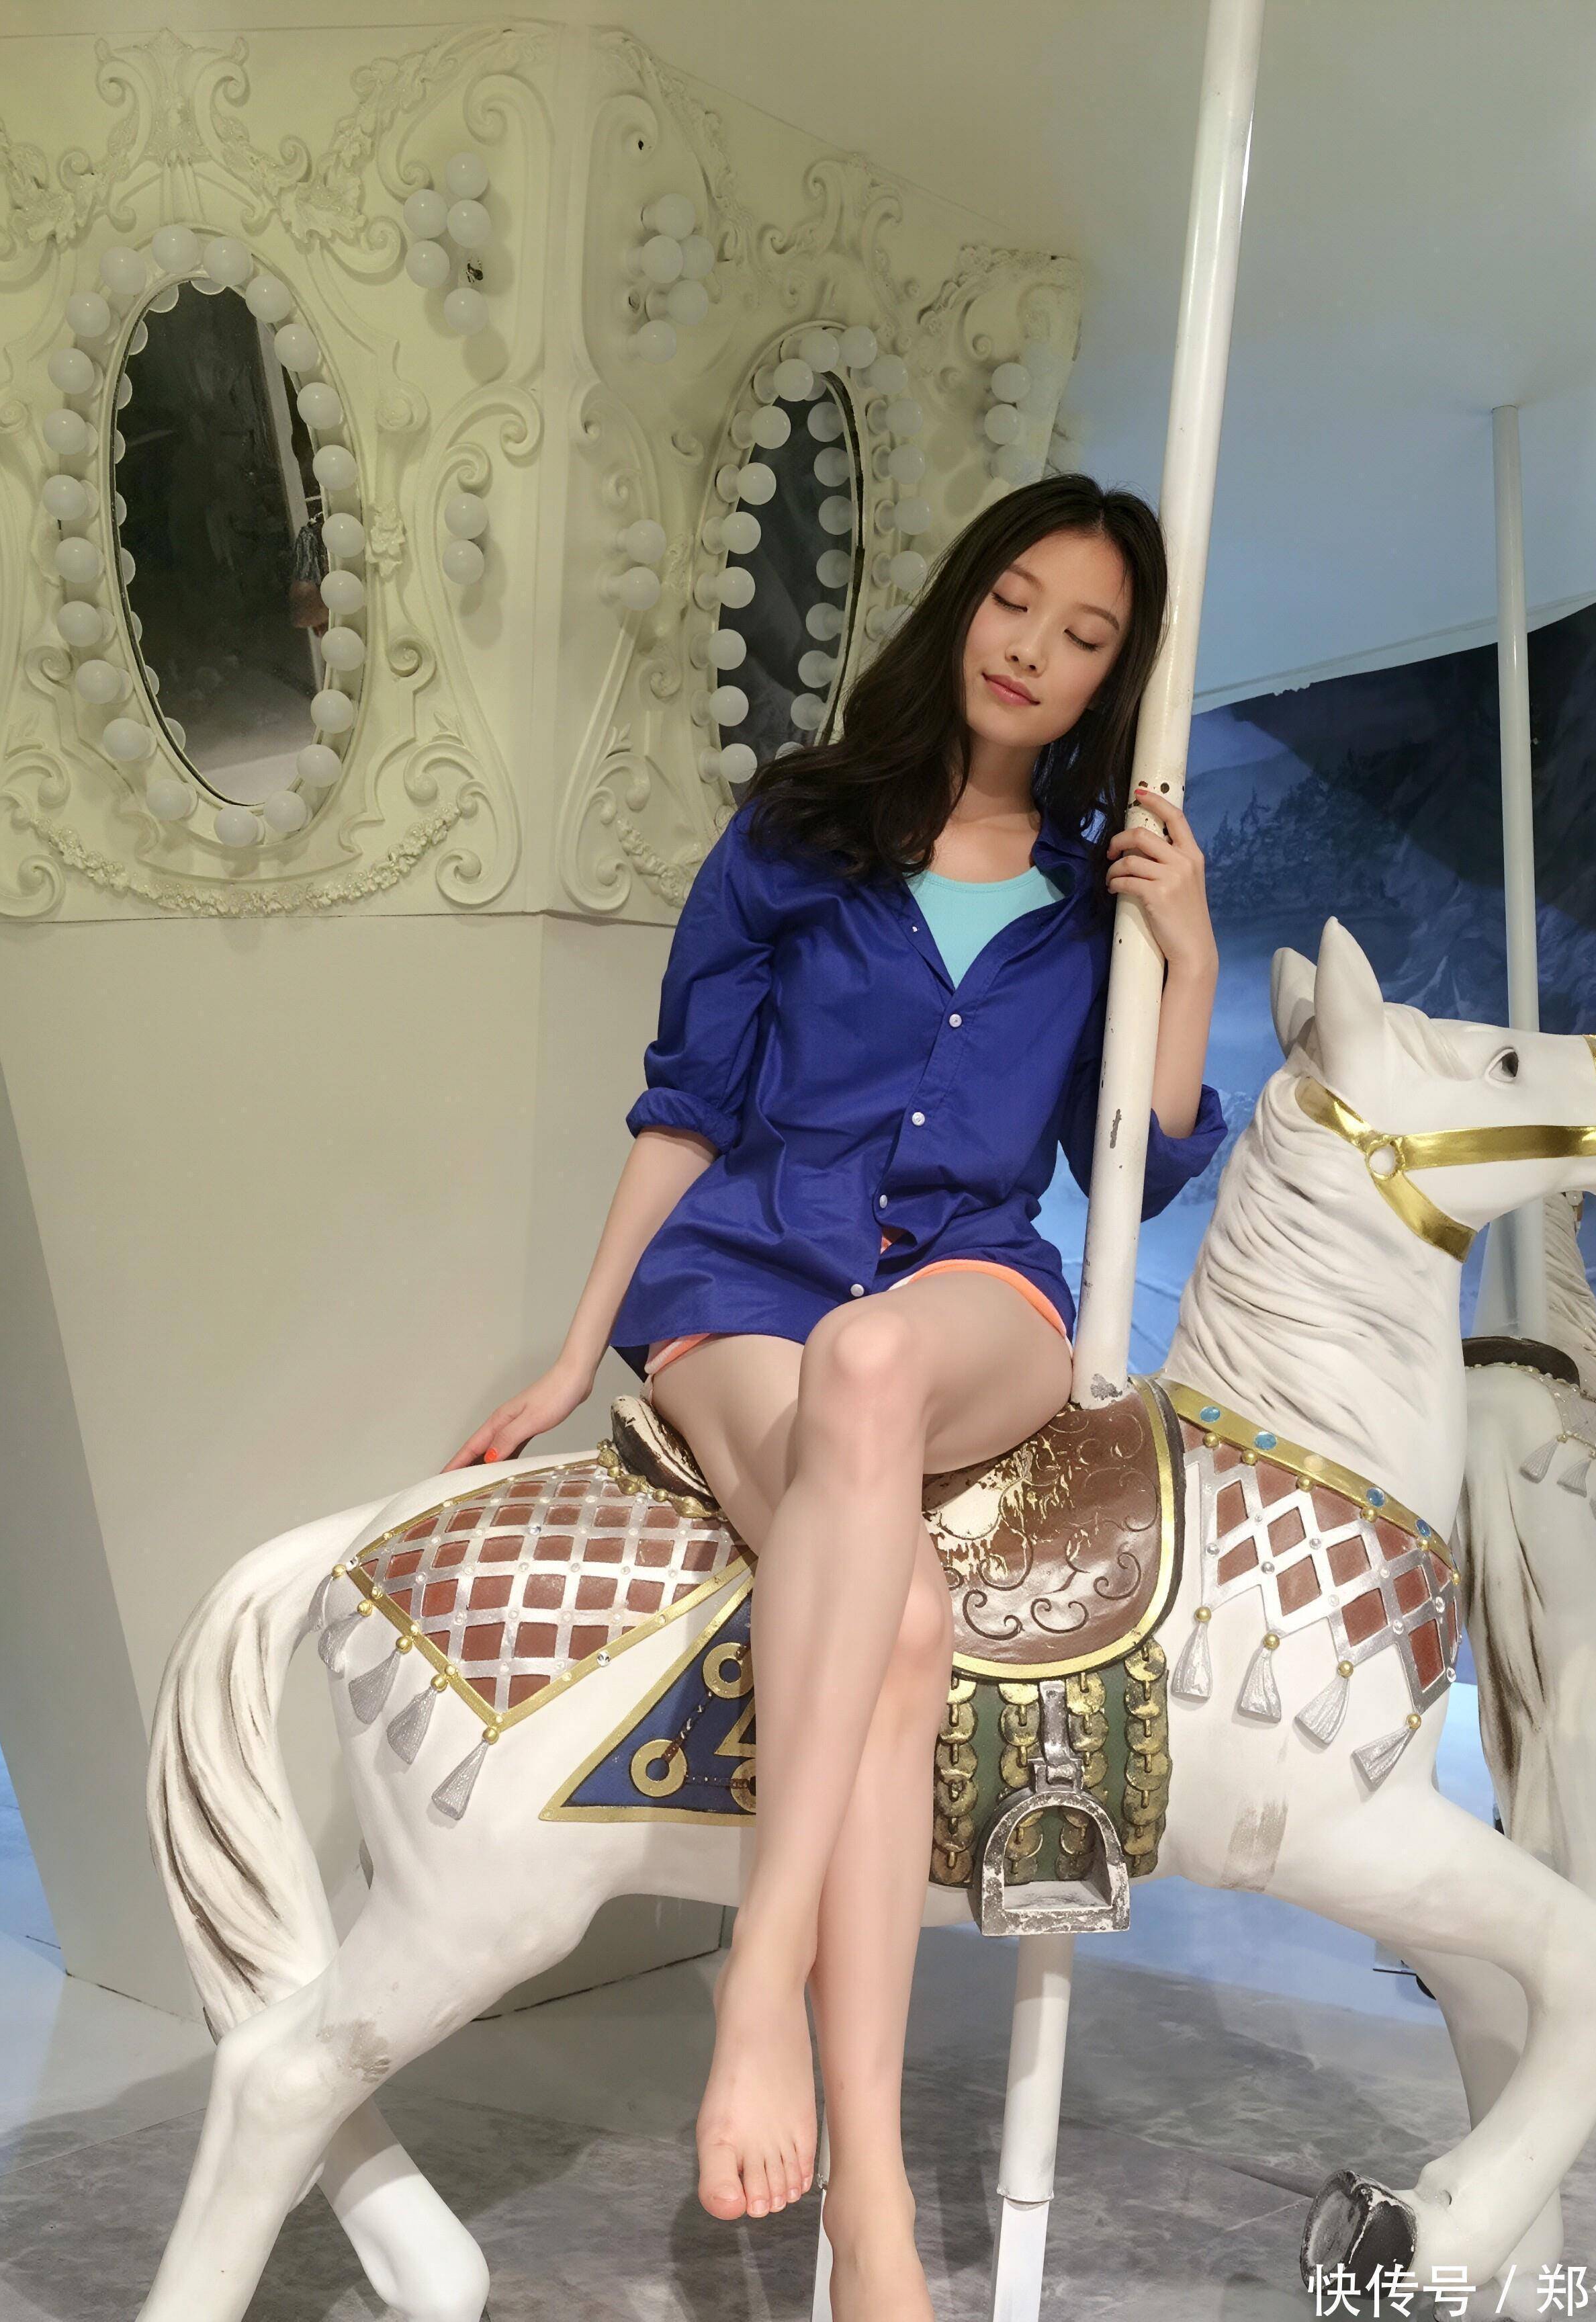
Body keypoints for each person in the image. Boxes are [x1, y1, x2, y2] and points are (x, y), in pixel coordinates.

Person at [445, 472, 1224, 2318]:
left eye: (1085, 635)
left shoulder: (1098, 891)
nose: (1033, 650)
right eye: (1015, 601)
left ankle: (761, 1978)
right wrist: (576, 1344)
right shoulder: (795, 831)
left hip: (972, 1293)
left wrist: (1185, 951)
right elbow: (686, 1108)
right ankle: (871, 2201)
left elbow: (1139, 1156)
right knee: (906, 1626)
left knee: (878, 1358)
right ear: (964, 601)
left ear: (1113, 677)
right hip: (748, 1280)